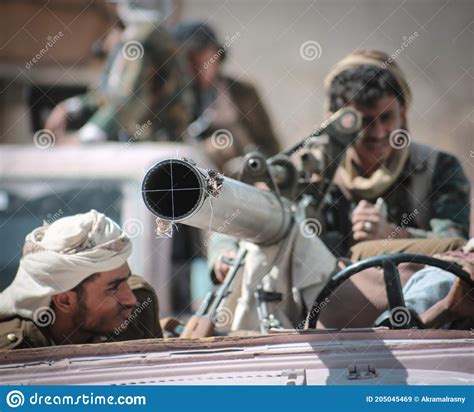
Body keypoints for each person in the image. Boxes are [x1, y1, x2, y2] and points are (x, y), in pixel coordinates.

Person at [321, 49, 470, 256]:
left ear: (403, 113)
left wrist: (391, 234)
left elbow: (457, 247)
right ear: (337, 123)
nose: (378, 133)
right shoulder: (318, 177)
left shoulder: (438, 168)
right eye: (364, 121)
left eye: (386, 118)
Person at [0, 210, 162, 350]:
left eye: (126, 280)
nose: (131, 299)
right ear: (65, 300)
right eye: (113, 288)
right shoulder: (11, 351)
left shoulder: (141, 306)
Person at [45, 1, 193, 144]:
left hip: (154, 139)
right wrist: (70, 107)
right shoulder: (145, 35)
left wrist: (86, 137)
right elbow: (106, 95)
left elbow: (128, 96)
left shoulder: (142, 36)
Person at [172, 21, 280, 175]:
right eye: (191, 59)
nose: (200, 66)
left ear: (217, 57)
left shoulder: (243, 93)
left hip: (247, 171)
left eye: (206, 58)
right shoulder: (174, 98)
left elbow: (270, 144)